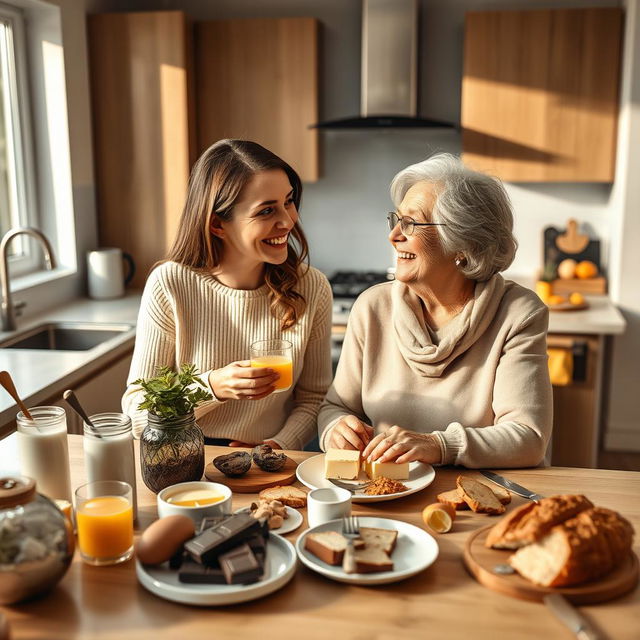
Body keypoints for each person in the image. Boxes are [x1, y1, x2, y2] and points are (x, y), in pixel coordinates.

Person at [317, 153, 552, 468]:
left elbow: (528, 439)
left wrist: (438, 445)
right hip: (388, 491)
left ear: (462, 243)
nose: (394, 235)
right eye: (396, 219)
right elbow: (335, 407)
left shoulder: (517, 314)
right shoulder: (373, 307)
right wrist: (336, 429)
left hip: (477, 495)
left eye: (411, 223)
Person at [123, 139, 332, 450]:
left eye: (288, 201)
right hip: (188, 459)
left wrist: (278, 445)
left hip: (270, 461)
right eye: (266, 210)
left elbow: (314, 398)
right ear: (217, 224)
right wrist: (213, 387)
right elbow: (137, 411)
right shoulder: (170, 284)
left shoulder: (311, 287)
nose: (288, 221)